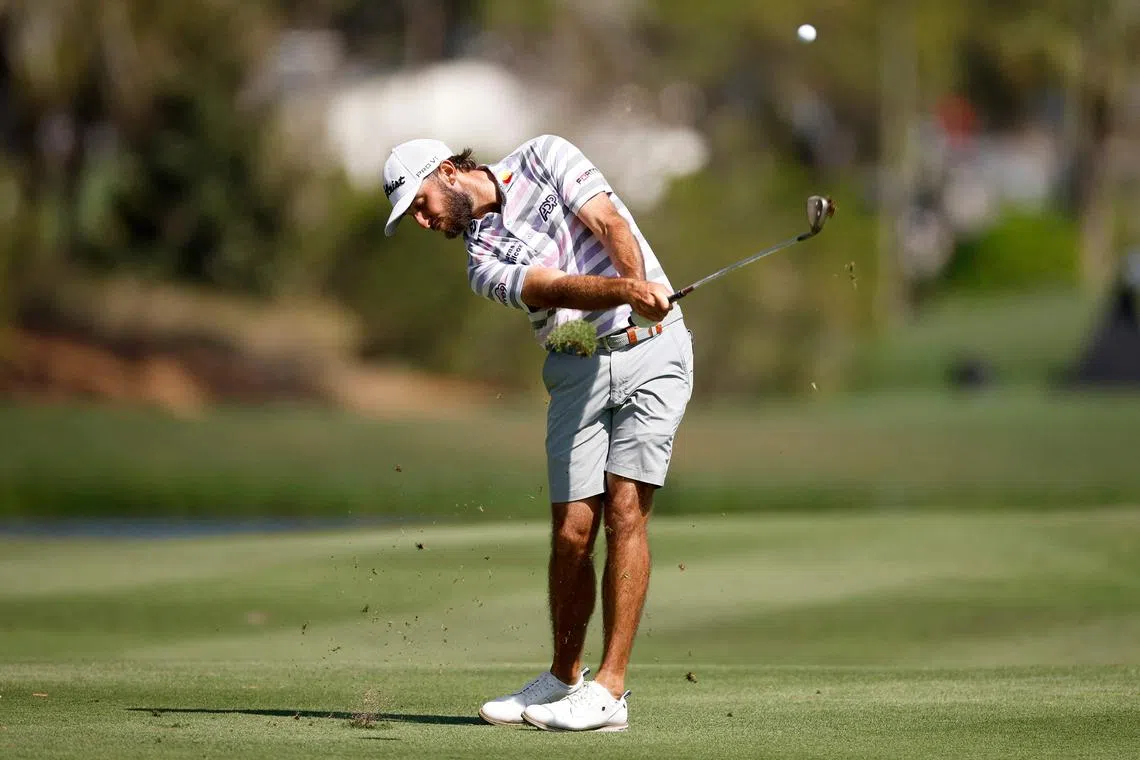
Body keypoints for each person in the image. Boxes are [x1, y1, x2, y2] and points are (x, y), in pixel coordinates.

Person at [382, 134, 694, 732]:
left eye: (421, 205)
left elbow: (608, 221)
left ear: (447, 171)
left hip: (652, 350)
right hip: (577, 368)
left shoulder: (544, 155)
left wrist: (639, 295)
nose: (423, 222)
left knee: (626, 509)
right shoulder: (480, 263)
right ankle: (562, 677)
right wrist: (628, 291)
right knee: (573, 531)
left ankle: (610, 691)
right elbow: (549, 286)